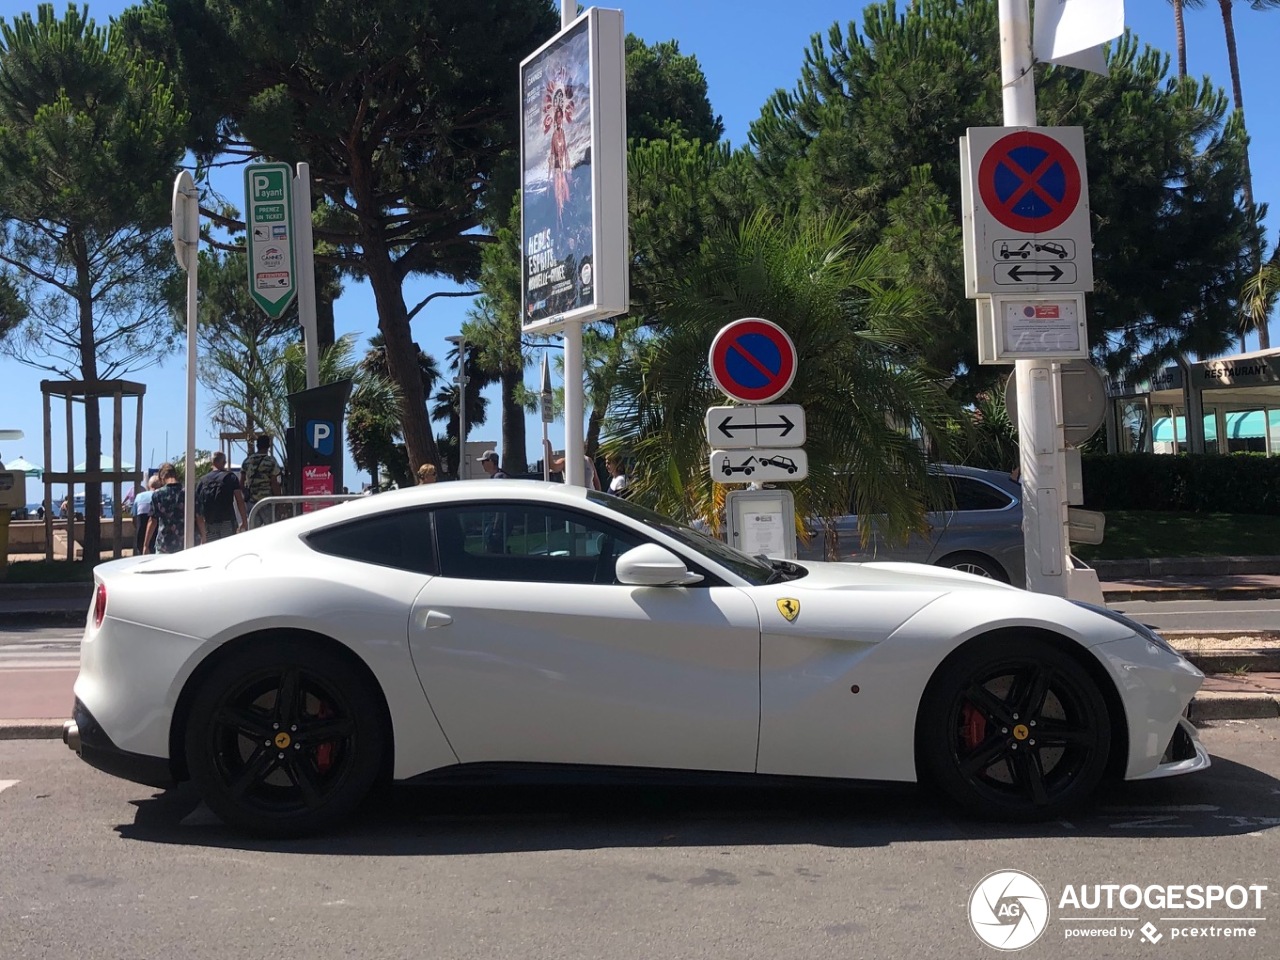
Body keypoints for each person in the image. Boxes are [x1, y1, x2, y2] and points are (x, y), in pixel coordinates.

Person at [195, 451, 249, 542]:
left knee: (213, 551)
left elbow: (198, 509)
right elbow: (239, 500)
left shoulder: (202, 480)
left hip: (209, 523)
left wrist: (202, 533)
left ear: (211, 462)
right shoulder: (231, 477)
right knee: (227, 550)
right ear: (224, 462)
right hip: (227, 522)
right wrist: (244, 521)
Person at [145, 462, 194, 554]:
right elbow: (198, 517)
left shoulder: (158, 494)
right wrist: (203, 538)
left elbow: (153, 521)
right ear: (175, 475)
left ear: (161, 478)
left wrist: (146, 545)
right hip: (185, 544)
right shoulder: (188, 492)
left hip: (164, 544)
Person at [240, 434, 282, 525]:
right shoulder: (271, 461)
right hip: (267, 502)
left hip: (252, 503)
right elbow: (274, 483)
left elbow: (241, 482)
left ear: (257, 445)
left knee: (254, 533)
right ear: (268, 446)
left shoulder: (247, 461)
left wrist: (247, 494)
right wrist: (279, 502)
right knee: (270, 530)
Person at [132, 475, 160, 555]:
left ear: (148, 485)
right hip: (156, 535)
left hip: (141, 534)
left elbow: (134, 519)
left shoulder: (139, 497)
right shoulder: (160, 496)